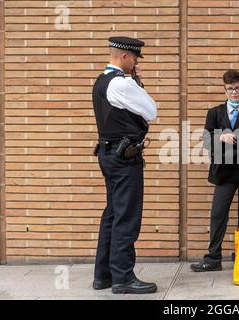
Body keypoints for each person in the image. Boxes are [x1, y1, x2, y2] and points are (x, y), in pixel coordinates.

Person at [91, 36, 158, 294]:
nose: (136, 64)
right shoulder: (122, 83)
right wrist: (137, 83)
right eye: (135, 59)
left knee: (112, 214)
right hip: (124, 158)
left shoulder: (101, 81)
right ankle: (123, 278)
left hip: (108, 155)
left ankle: (104, 276)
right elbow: (151, 111)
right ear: (125, 57)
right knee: (127, 217)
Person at [190, 69, 239, 272]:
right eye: (230, 89)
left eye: (238, 88)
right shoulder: (215, 113)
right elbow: (206, 140)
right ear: (224, 90)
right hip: (224, 173)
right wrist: (219, 136)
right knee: (218, 214)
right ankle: (213, 258)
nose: (234, 92)